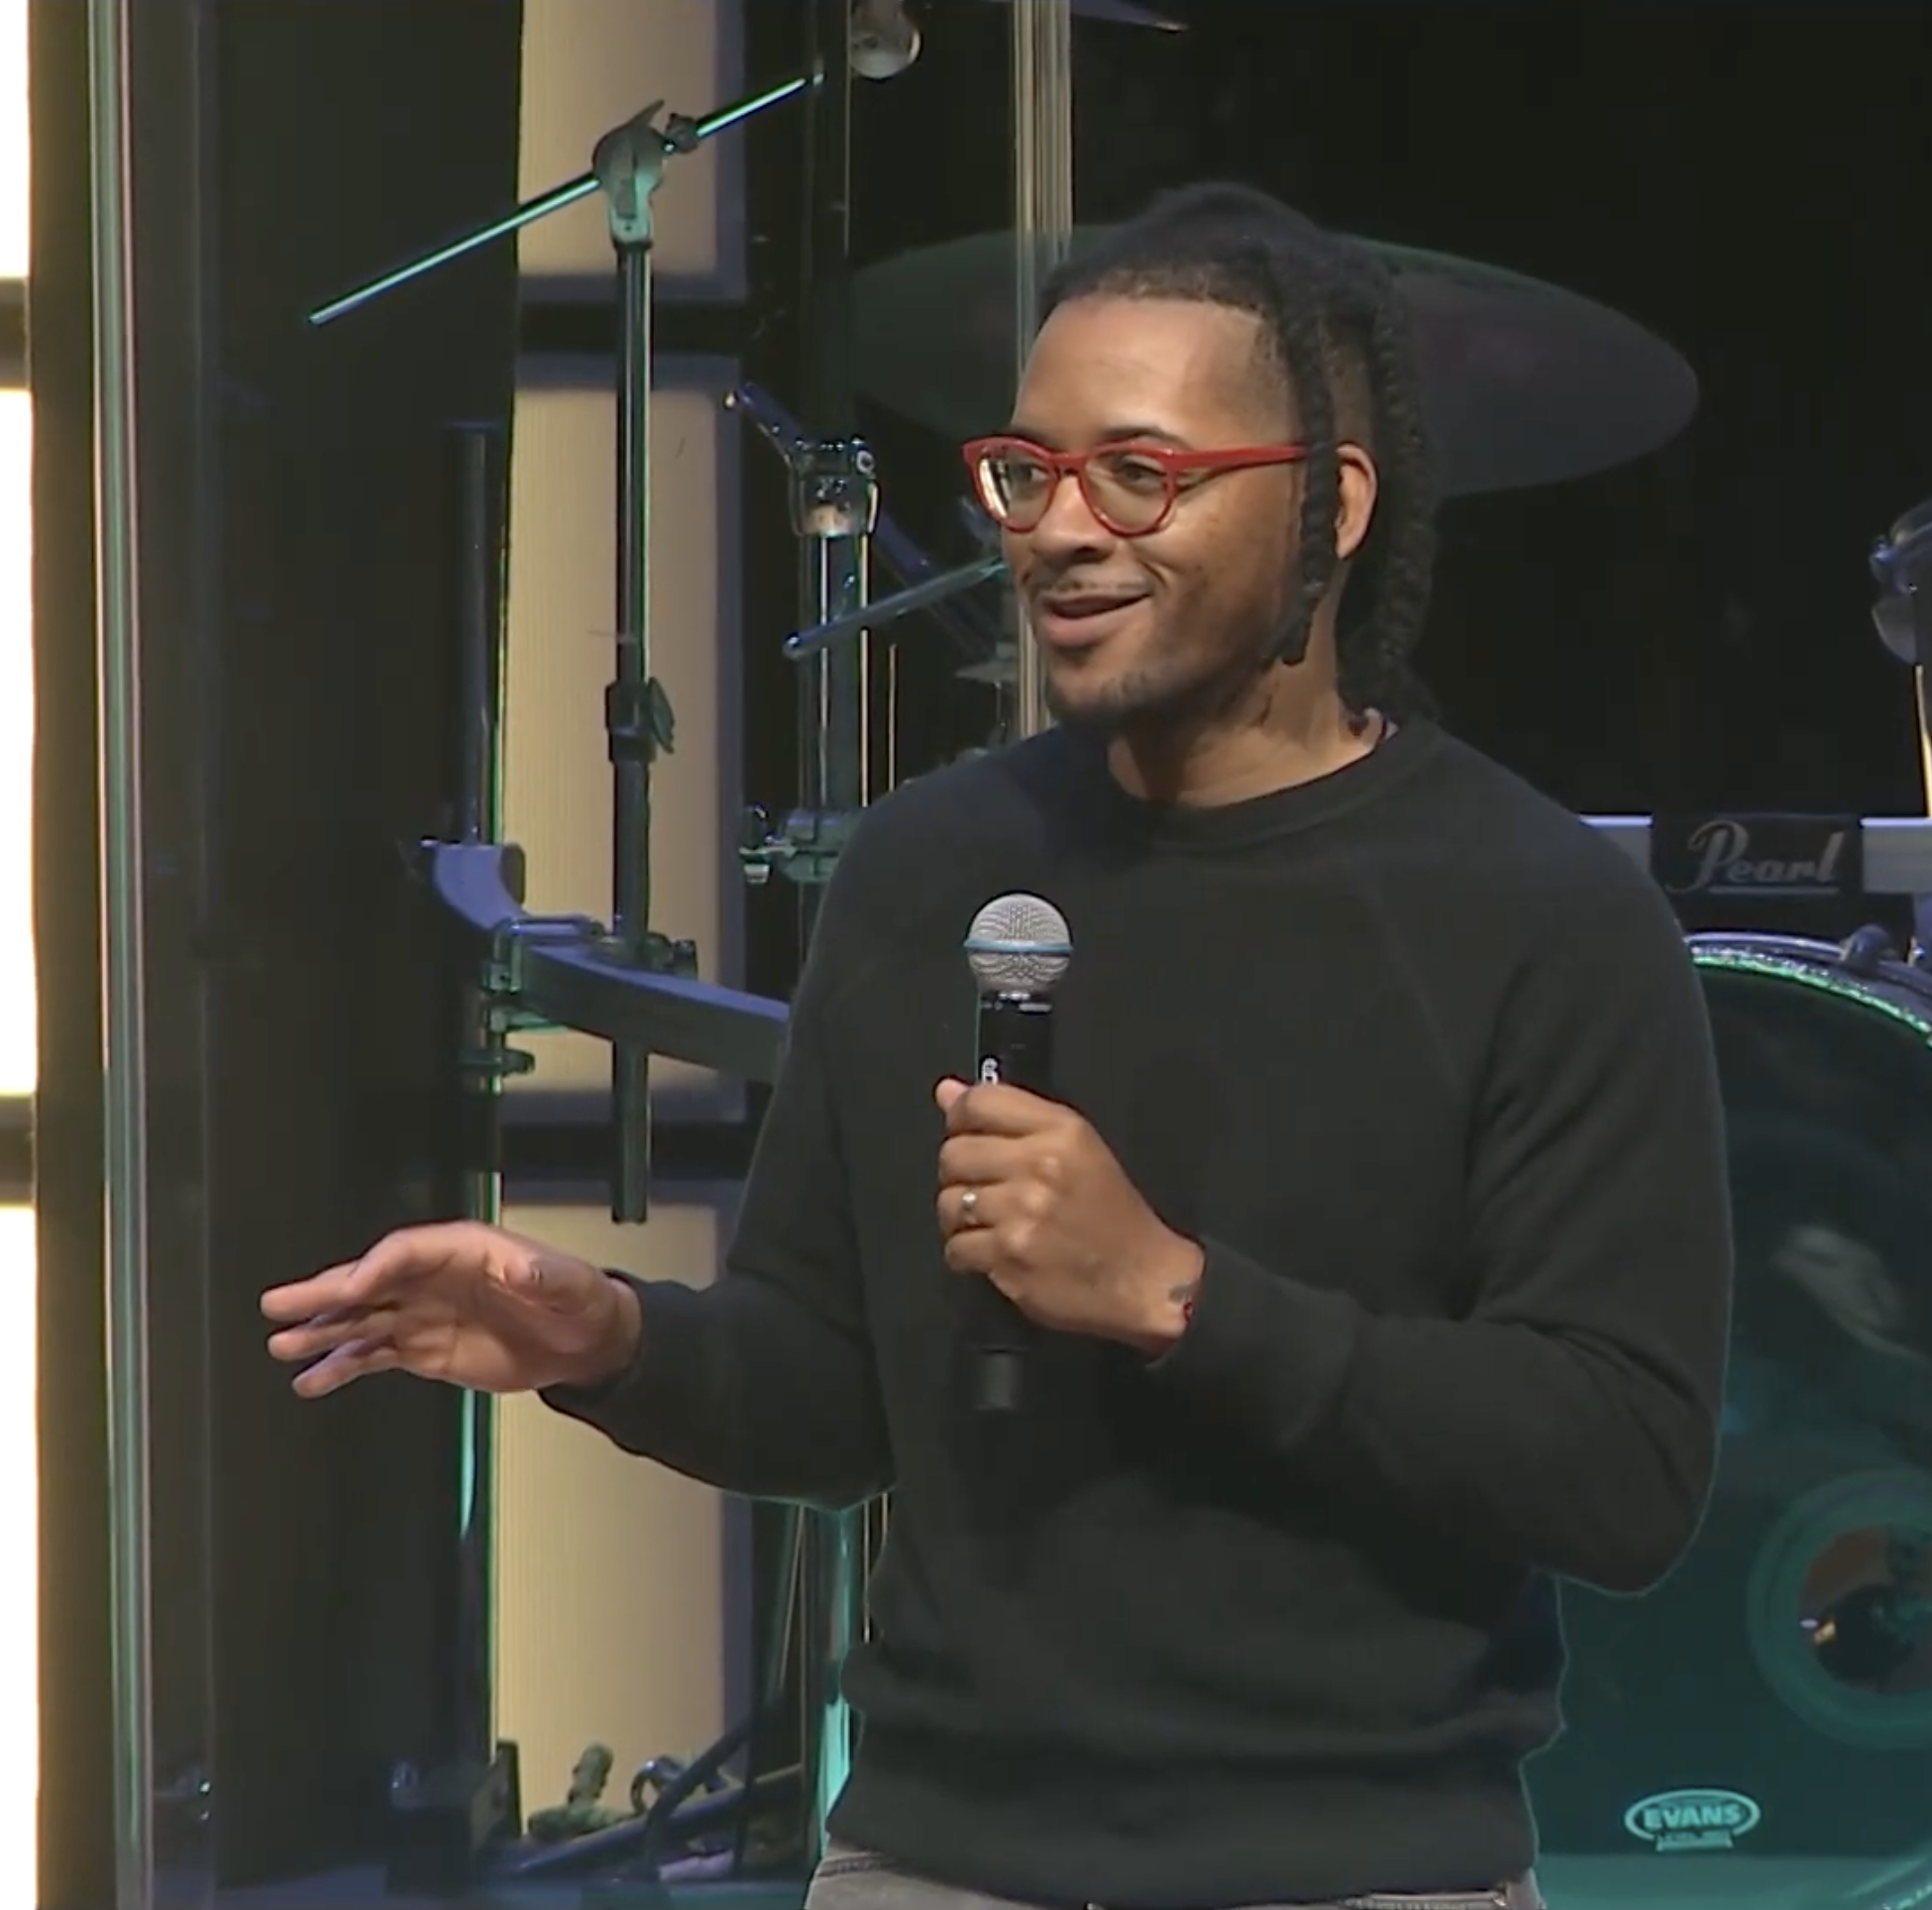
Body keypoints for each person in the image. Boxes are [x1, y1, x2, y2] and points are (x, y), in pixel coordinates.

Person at [263, 183, 1733, 1910]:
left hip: (1355, 1866)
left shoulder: (1538, 915)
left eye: (1140, 474)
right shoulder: (932, 871)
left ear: (1330, 509)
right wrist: (606, 1340)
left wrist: (1180, 1297)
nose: (1057, 532)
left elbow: (1619, 1469)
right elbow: (831, 1401)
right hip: (936, 1859)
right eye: (1022, 475)